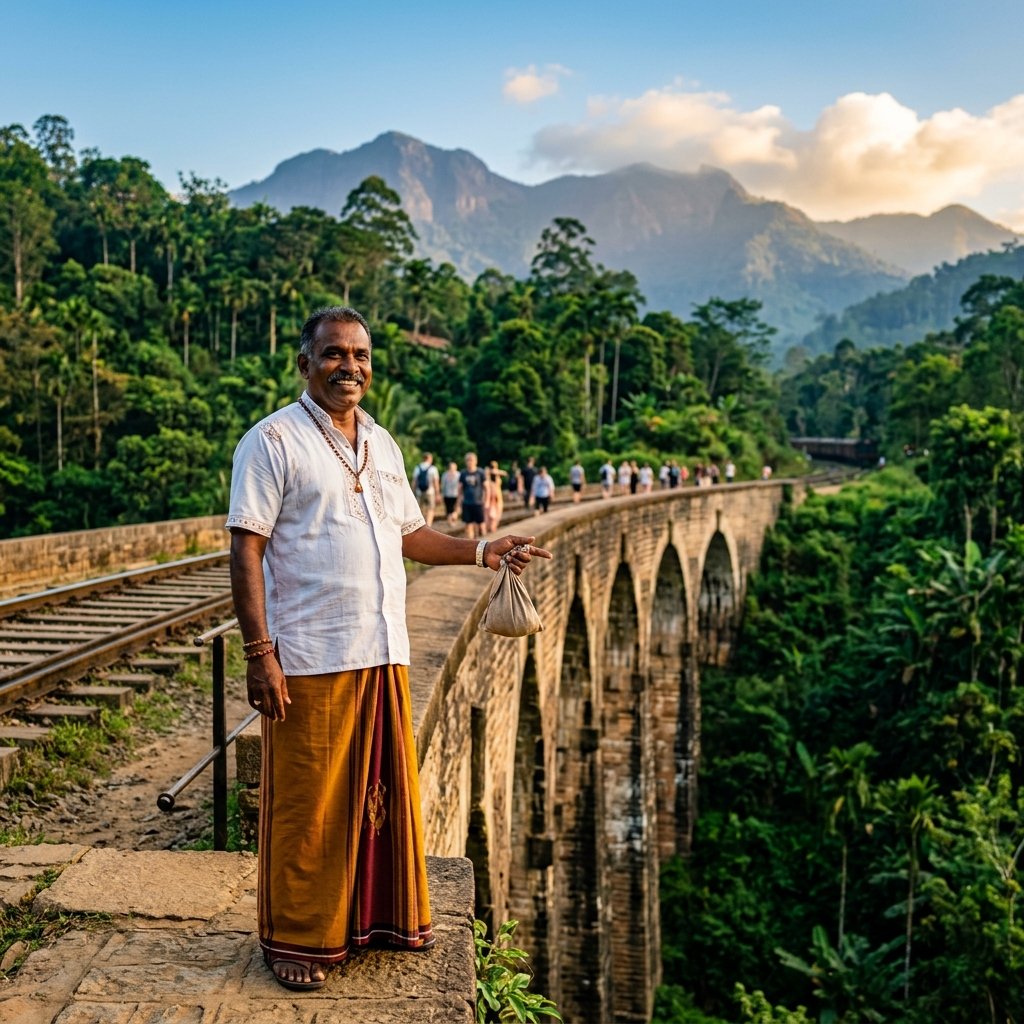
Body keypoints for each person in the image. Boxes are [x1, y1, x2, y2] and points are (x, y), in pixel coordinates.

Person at [226, 306, 551, 991]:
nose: (352, 366)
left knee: (377, 796)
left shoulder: (382, 443)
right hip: (311, 653)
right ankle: (299, 937)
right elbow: (245, 547)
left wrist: (483, 550)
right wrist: (259, 653)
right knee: (308, 806)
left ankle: (373, 920)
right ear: (306, 364)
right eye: (336, 354)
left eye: (362, 355)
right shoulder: (273, 441)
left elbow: (411, 535)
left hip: (381, 647)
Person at [459, 452, 486, 538]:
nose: (470, 462)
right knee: (468, 524)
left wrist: (486, 500)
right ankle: (471, 543)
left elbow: (486, 487)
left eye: (471, 460)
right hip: (467, 502)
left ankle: (481, 541)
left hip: (478, 502)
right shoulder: (463, 473)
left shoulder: (480, 472)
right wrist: (459, 500)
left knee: (480, 525)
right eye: (468, 460)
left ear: (476, 461)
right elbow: (460, 488)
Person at [412, 452, 440, 527]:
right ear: (430, 459)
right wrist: (438, 494)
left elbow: (414, 481)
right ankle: (429, 524)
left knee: (420, 509)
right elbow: (436, 482)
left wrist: (412, 492)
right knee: (431, 508)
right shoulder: (433, 468)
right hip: (430, 492)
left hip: (419, 492)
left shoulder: (417, 467)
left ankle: (421, 525)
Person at [483, 461, 505, 535]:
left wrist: (494, 471)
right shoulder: (487, 478)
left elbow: (504, 473)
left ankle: (492, 532)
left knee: (496, 519)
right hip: (490, 501)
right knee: (489, 520)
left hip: (498, 500)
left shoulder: (497, 477)